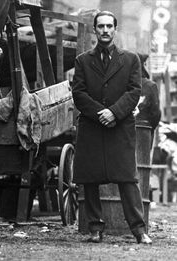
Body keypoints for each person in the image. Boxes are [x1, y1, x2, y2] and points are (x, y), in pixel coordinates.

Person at [72, 11, 152, 244]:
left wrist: (114, 112)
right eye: (101, 26)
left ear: (115, 29)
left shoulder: (130, 59)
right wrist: (100, 114)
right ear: (94, 30)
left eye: (109, 26)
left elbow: (134, 91)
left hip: (120, 127)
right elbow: (78, 93)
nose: (105, 30)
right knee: (90, 178)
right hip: (93, 126)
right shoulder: (83, 61)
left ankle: (139, 230)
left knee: (127, 179)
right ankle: (95, 229)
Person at [136, 53, 161, 144]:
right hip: (143, 132)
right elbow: (155, 114)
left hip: (124, 134)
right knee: (142, 157)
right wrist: (148, 128)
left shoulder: (121, 84)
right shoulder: (150, 86)